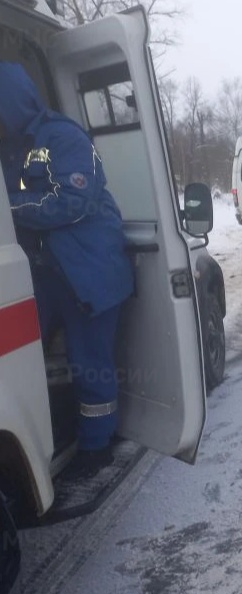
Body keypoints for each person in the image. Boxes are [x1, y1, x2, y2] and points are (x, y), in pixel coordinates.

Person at [0, 62, 134, 473]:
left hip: (90, 273)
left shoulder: (64, 137)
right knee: (22, 354)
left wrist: (9, 210)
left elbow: (70, 202)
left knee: (88, 361)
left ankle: (97, 447)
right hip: (48, 272)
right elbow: (21, 195)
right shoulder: (17, 149)